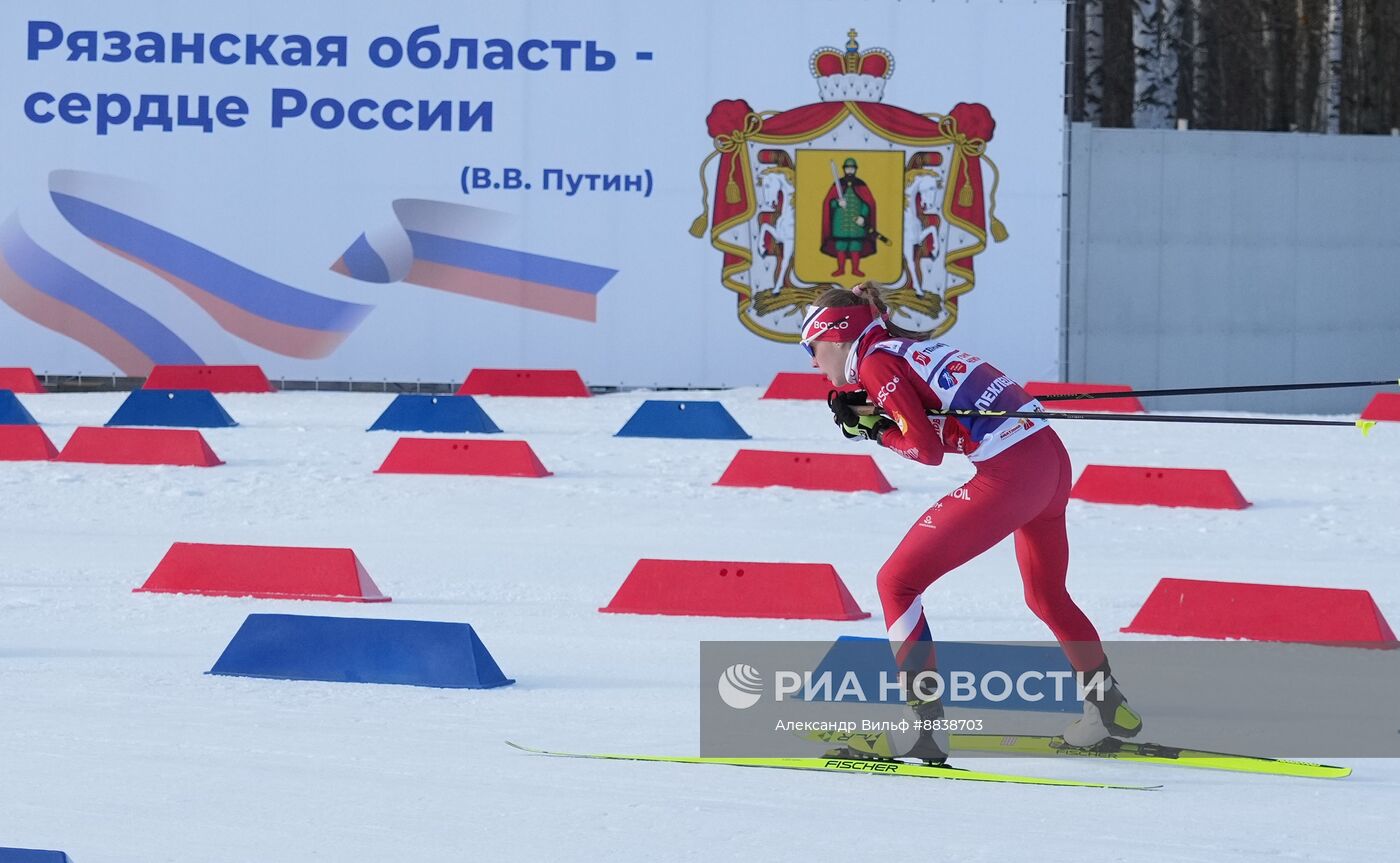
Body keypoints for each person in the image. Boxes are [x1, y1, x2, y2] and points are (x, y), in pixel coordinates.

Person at [799, 282, 1142, 763]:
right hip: (1049, 461)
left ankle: (925, 730)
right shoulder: (899, 349)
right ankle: (1107, 708)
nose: (814, 363)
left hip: (1012, 474)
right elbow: (943, 419)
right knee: (1046, 595)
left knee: (895, 583)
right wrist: (875, 415)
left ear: (835, 337)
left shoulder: (877, 361)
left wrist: (877, 431)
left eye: (811, 349)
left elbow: (926, 450)